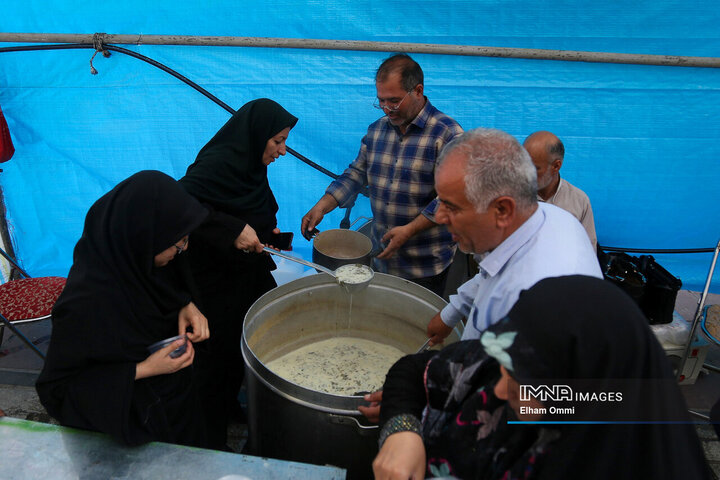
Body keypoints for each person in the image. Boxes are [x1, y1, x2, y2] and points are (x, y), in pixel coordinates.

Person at [373, 275, 712, 479]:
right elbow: (413, 371)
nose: (500, 390)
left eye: (526, 386)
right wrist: (402, 433)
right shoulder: (519, 360)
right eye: (506, 369)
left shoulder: (629, 461)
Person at [36, 170, 211, 448]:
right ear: (143, 237)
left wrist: (184, 302)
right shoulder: (86, 305)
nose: (182, 252)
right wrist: (141, 370)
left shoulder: (143, 264)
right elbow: (58, 392)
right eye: (176, 245)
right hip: (131, 433)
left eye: (186, 240)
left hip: (178, 412)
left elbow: (168, 284)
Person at [178, 98, 298, 449]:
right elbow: (183, 207)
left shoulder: (249, 167)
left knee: (243, 347)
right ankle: (209, 444)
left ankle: (229, 405)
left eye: (284, 141)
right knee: (213, 364)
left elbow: (250, 206)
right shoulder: (215, 166)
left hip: (243, 275)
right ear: (255, 135)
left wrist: (271, 235)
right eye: (277, 141)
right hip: (212, 285)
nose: (283, 151)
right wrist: (231, 230)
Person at [301, 53, 463, 297]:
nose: (387, 109)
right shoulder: (377, 131)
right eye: (381, 101)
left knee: (416, 329)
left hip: (424, 267)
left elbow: (452, 198)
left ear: (418, 90)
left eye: (394, 101)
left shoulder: (447, 134)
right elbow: (356, 174)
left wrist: (409, 230)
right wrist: (323, 205)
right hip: (381, 260)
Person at [426, 128, 602, 342]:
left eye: (451, 206)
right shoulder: (546, 215)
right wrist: (451, 313)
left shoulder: (532, 307)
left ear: (502, 210)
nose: (439, 216)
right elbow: (487, 274)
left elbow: (491, 372)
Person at [523, 130, 597, 249]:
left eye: (535, 168)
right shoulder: (509, 197)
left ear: (556, 166)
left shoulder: (579, 201)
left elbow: (587, 252)